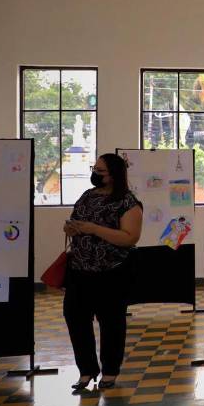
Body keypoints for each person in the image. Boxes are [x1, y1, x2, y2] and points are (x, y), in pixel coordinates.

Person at [64, 154, 143, 391]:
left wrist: (94, 229)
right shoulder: (87, 196)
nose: (95, 173)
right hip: (80, 270)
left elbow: (130, 238)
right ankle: (86, 370)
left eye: (101, 170)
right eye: (94, 168)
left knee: (111, 323)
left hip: (112, 273)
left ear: (114, 174)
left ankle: (110, 371)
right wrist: (71, 227)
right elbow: (73, 221)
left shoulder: (127, 202)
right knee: (75, 318)